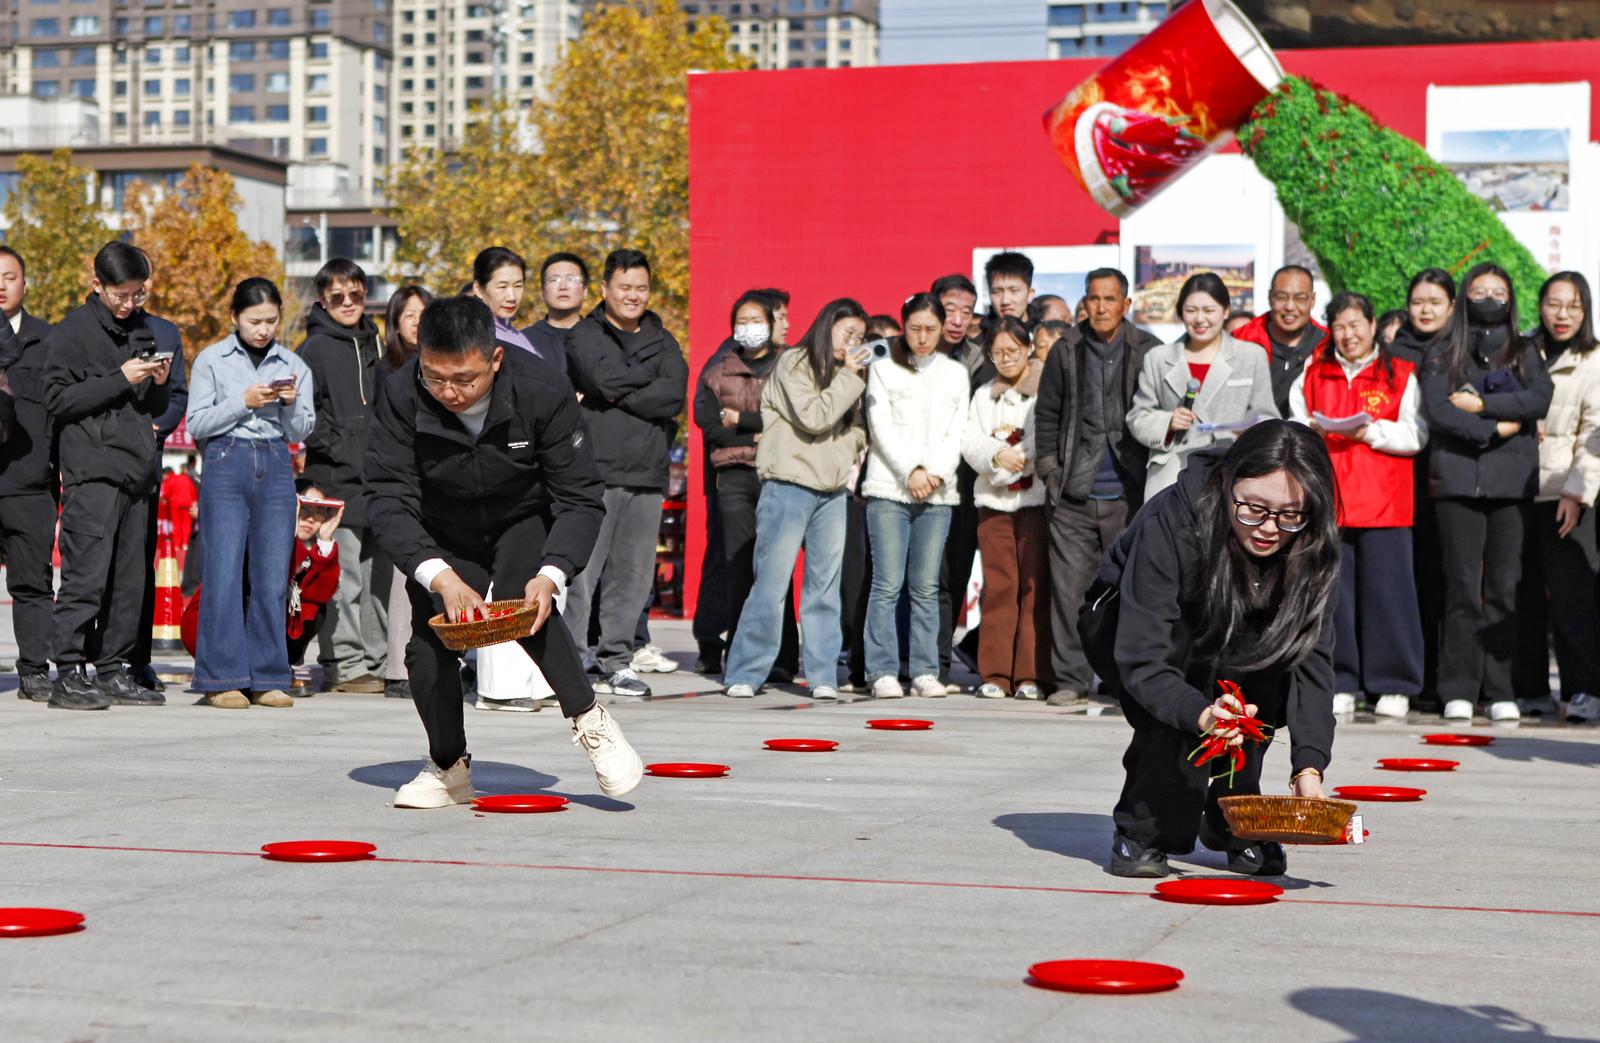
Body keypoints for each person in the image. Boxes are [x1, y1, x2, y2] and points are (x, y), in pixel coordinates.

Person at [364, 295, 642, 807]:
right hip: (444, 527)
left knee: (525, 603)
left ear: (495, 359)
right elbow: (387, 496)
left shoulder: (543, 389)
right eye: (435, 376)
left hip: (522, 515)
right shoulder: (400, 394)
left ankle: (590, 718)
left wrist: (554, 571)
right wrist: (440, 577)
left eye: (465, 379)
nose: (449, 392)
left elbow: (580, 495)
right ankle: (449, 765)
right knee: (428, 644)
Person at [1081, 421, 1340, 879]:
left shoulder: (1312, 546)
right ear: (1228, 483)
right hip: (1139, 632)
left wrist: (1309, 769)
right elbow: (1144, 656)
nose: (1268, 529)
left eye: (1289, 515)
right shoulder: (1173, 522)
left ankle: (1233, 818)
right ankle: (1144, 826)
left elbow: (1312, 665)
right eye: (1253, 508)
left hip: (1240, 630)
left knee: (1258, 682)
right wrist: (1202, 715)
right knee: (1182, 701)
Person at [1420, 262, 1553, 723]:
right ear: (1464, 299)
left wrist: (1481, 405)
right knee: (1461, 588)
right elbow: (1439, 410)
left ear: (1512, 300)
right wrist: (1501, 427)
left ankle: (1499, 688)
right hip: (1457, 481)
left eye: (1499, 291)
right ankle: (1458, 686)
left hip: (1511, 485)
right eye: (1480, 291)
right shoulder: (1443, 349)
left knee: (1502, 589)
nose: (1490, 298)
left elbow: (1538, 399)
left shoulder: (1525, 350)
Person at [41, 242, 171, 710]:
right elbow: (56, 401)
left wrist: (157, 383)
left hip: (136, 470)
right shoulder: (71, 333)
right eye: (121, 294)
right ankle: (68, 672)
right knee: (86, 576)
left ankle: (114, 668)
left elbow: (152, 407)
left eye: (138, 294)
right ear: (97, 285)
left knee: (130, 580)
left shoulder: (141, 328)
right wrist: (120, 377)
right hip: (91, 472)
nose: (130, 304)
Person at [721, 299, 871, 700]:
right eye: (847, 333)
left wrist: (848, 442)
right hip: (788, 483)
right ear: (827, 327)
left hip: (832, 491)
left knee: (824, 588)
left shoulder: (850, 375)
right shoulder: (794, 363)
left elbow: (859, 428)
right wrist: (851, 378)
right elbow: (815, 416)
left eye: (860, 335)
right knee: (771, 584)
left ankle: (822, 675)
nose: (854, 342)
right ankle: (745, 672)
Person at [1289, 292, 1427, 719]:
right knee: (1334, 598)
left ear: (1372, 325)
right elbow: (1294, 426)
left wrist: (1370, 432)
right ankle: (1341, 680)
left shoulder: (1400, 373)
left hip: (1386, 501)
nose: (1348, 334)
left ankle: (1395, 684)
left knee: (1390, 597)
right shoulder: (1315, 372)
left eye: (1356, 325)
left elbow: (1416, 434)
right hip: (1330, 501)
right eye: (1340, 326)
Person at [1035, 267, 1163, 709]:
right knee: (1070, 592)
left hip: (1130, 493)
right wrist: (1051, 471)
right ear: (1084, 304)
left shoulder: (1150, 350)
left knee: (1129, 593)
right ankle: (1070, 679)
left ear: (1127, 304)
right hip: (1073, 492)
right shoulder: (1066, 350)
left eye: (1111, 299)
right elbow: (1047, 416)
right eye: (1094, 299)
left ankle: (1121, 680)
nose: (1102, 307)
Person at [563, 248, 688, 699]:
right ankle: (574, 658)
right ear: (604, 289)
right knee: (583, 574)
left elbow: (671, 396)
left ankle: (617, 661)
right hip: (595, 472)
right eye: (625, 287)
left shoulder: (664, 340)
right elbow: (601, 381)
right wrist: (631, 385)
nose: (633, 296)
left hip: (647, 473)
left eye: (641, 288)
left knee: (632, 577)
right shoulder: (584, 334)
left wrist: (617, 388)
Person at [184, 278, 315, 709]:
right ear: (235, 318)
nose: (263, 329)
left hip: (276, 461)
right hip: (227, 458)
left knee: (272, 574)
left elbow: (301, 430)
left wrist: (292, 403)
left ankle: (269, 676)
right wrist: (245, 400)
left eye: (271, 320)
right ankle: (222, 677)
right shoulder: (212, 360)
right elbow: (197, 424)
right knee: (221, 571)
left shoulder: (293, 363)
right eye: (254, 321)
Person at [862, 293, 969, 700]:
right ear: (902, 327)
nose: (923, 337)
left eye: (931, 329)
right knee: (886, 584)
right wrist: (911, 471)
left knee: (925, 586)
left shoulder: (955, 374)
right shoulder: (884, 368)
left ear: (943, 329)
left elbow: (956, 431)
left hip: (938, 494)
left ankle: (925, 670)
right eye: (915, 329)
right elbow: (880, 426)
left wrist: (935, 474)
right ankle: (883, 670)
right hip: (889, 487)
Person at [693, 291, 799, 680]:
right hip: (734, 478)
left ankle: (784, 658)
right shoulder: (717, 368)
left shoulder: (790, 365)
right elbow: (709, 422)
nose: (750, 328)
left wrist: (745, 421)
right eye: (743, 320)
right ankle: (738, 655)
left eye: (758, 320)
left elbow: (788, 418)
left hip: (778, 474)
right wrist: (749, 432)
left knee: (777, 566)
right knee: (739, 566)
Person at [301, 257, 388, 693]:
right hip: (335, 478)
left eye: (357, 293)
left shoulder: (375, 342)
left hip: (376, 478)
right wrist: (344, 449)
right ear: (322, 299)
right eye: (338, 296)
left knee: (377, 578)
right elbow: (307, 415)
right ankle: (345, 664)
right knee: (344, 579)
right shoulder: (314, 348)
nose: (349, 302)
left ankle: (378, 657)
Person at [1128, 272, 1278, 500]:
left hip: (1230, 473)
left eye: (1209, 311)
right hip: (1172, 476)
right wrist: (1167, 422)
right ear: (1180, 313)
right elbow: (1138, 417)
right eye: (1191, 311)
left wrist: (1250, 429)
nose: (1200, 319)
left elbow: (1267, 415)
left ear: (1226, 311)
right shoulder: (1158, 358)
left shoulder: (1250, 356)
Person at [1526, 272, 1600, 723]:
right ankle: (1529, 689)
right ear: (1540, 305)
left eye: (1573, 306)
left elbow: (1595, 434)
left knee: (1574, 596)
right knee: (1522, 596)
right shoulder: (1522, 351)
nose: (1562, 315)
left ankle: (1584, 688)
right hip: (1520, 488)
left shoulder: (1594, 359)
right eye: (1554, 304)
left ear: (1585, 309)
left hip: (1569, 495)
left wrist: (1576, 491)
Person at [962, 316, 1049, 699]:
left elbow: (1043, 434)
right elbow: (970, 441)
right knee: (999, 586)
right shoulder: (983, 395)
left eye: (1012, 350)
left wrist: (1021, 458)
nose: (1005, 358)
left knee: (1034, 586)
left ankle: (1031, 674)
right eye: (997, 353)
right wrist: (999, 458)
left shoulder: (1044, 389)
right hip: (994, 504)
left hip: (1035, 502)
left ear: (1028, 347)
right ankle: (995, 674)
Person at [178, 480, 342, 676]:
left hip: (255, 629)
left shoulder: (309, 552)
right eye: (304, 507)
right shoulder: (258, 529)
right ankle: (244, 667)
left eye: (319, 512)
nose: (310, 518)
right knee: (265, 591)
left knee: (313, 608)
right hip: (210, 626)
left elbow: (320, 594)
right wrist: (285, 523)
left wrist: (324, 541)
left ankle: (274, 664)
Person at [127, 248, 190, 695]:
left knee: (141, 564)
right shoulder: (89, 330)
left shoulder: (165, 331)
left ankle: (137, 659)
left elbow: (179, 396)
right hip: (99, 459)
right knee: (98, 566)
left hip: (145, 461)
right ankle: (94, 656)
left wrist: (154, 426)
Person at [0, 245, 58, 702]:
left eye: (10, 276)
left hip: (28, 483)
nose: (1, 285)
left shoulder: (48, 341)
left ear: (25, 283)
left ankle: (35, 669)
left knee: (33, 582)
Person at [377, 285, 432, 700]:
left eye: (424, 313)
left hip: (439, 480)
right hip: (404, 480)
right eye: (408, 314)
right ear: (395, 322)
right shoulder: (387, 372)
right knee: (404, 576)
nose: (416, 322)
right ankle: (399, 668)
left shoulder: (442, 363)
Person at [1230, 265, 1327, 417]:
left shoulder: (1327, 346)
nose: (1289, 307)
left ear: (1312, 300)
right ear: (1270, 298)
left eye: (1300, 298)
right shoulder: (1241, 340)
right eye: (1281, 297)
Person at [523, 252, 587, 374]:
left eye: (571, 279)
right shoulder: (524, 341)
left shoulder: (604, 339)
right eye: (554, 280)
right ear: (542, 292)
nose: (563, 286)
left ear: (585, 291)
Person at [1388, 268, 1456, 367]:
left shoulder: (1464, 349)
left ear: (1451, 307)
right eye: (1417, 303)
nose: (1426, 310)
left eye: (1435, 303)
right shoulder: (1393, 355)